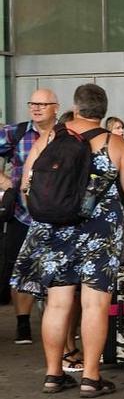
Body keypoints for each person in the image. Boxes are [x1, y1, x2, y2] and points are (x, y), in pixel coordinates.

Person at [12, 83, 124, 396]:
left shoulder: (50, 137)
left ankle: (53, 373)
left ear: (76, 106)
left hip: (55, 228)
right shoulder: (114, 143)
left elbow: (26, 183)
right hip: (98, 232)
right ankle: (90, 377)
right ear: (103, 110)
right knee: (94, 304)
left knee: (57, 304)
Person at [0, 89, 59, 345]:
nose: (36, 108)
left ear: (55, 107)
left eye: (42, 104)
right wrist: (6, 183)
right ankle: (23, 323)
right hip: (22, 215)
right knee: (18, 267)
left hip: (57, 214)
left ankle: (60, 323)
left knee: (57, 268)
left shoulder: (65, 134)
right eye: (32, 103)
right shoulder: (16, 132)